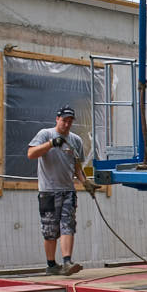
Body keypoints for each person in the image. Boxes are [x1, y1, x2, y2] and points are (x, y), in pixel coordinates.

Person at [27, 106, 100, 275]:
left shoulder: (75, 140)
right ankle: (52, 265)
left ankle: (67, 261)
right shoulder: (45, 134)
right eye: (64, 120)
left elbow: (76, 166)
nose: (67, 124)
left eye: (70, 121)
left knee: (68, 225)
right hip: (48, 191)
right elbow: (31, 154)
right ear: (57, 119)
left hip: (68, 191)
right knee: (50, 230)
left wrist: (85, 183)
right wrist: (51, 144)